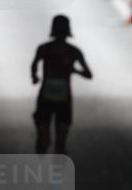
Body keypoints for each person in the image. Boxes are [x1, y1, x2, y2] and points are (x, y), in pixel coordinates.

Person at [31, 15, 93, 154]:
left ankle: (46, 169)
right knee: (54, 143)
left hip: (50, 100)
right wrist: (74, 70)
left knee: (51, 142)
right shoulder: (72, 51)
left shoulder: (45, 49)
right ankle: (51, 170)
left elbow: (34, 65)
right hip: (60, 101)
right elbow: (88, 74)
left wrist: (35, 77)